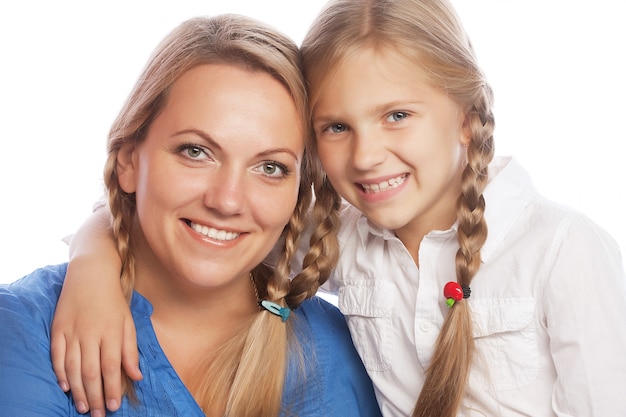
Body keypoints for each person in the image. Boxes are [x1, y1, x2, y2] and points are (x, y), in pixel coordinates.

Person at [47, 0, 626, 416]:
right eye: (337, 127)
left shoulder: (562, 251)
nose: (367, 155)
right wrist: (93, 266)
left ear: (468, 120)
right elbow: (200, 219)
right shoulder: (344, 241)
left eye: (397, 115)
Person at [0, 13, 382, 417]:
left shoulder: (344, 351)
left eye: (270, 167)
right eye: (195, 152)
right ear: (129, 160)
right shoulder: (25, 330)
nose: (228, 201)